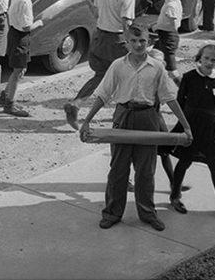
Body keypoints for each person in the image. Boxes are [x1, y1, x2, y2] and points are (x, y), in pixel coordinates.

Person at [79, 24, 192, 232]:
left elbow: (169, 98)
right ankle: (112, 212)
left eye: (142, 41)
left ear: (149, 42)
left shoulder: (157, 67)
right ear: (126, 41)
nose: (138, 45)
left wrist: (185, 126)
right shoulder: (117, 66)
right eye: (133, 41)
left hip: (148, 118)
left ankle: (147, 213)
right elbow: (103, 94)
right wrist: (87, 121)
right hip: (123, 116)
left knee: (146, 171)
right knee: (118, 170)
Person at [166, 44, 215, 222]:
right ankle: (175, 196)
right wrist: (183, 126)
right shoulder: (190, 77)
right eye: (206, 58)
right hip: (191, 125)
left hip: (210, 128)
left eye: (213, 60)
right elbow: (179, 102)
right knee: (184, 161)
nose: (209, 62)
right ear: (199, 58)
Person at [64, 0, 135, 128]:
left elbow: (95, 12)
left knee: (101, 75)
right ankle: (126, 114)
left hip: (99, 36)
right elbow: (126, 23)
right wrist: (132, 44)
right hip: (117, 40)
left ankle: (76, 103)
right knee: (132, 75)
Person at [0, 0, 44, 116]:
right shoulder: (24, 1)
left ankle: (5, 96)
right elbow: (26, 27)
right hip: (20, 37)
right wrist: (39, 23)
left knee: (19, 69)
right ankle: (9, 104)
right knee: (18, 71)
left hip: (13, 33)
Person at [154, 0, 184, 82]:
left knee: (172, 71)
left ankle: (183, 89)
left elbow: (172, 24)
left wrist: (157, 27)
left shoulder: (171, 5)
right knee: (153, 55)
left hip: (168, 38)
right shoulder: (173, 0)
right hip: (164, 37)